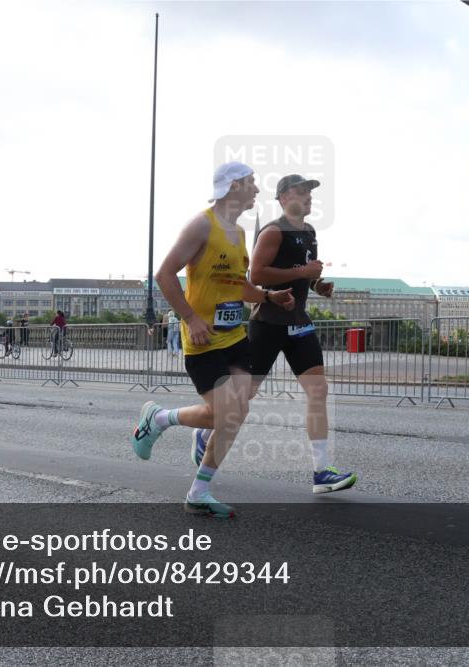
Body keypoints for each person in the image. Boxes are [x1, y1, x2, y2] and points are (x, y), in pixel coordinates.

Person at [130, 162, 294, 518]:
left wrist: (268, 296)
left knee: (235, 414)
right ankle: (158, 419)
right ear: (233, 186)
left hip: (235, 337)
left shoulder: (236, 233)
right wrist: (190, 317)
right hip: (204, 341)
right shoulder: (202, 224)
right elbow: (164, 273)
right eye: (251, 183)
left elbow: (239, 286)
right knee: (225, 413)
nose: (256, 189)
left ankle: (199, 491)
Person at [193, 174, 357, 493]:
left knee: (318, 390)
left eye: (311, 192)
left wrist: (315, 285)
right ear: (283, 197)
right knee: (243, 398)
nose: (309, 196)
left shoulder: (308, 232)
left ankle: (321, 473)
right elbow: (256, 273)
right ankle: (204, 433)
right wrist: (303, 273)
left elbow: (302, 270)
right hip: (268, 323)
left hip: (298, 322)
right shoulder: (272, 231)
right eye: (301, 191)